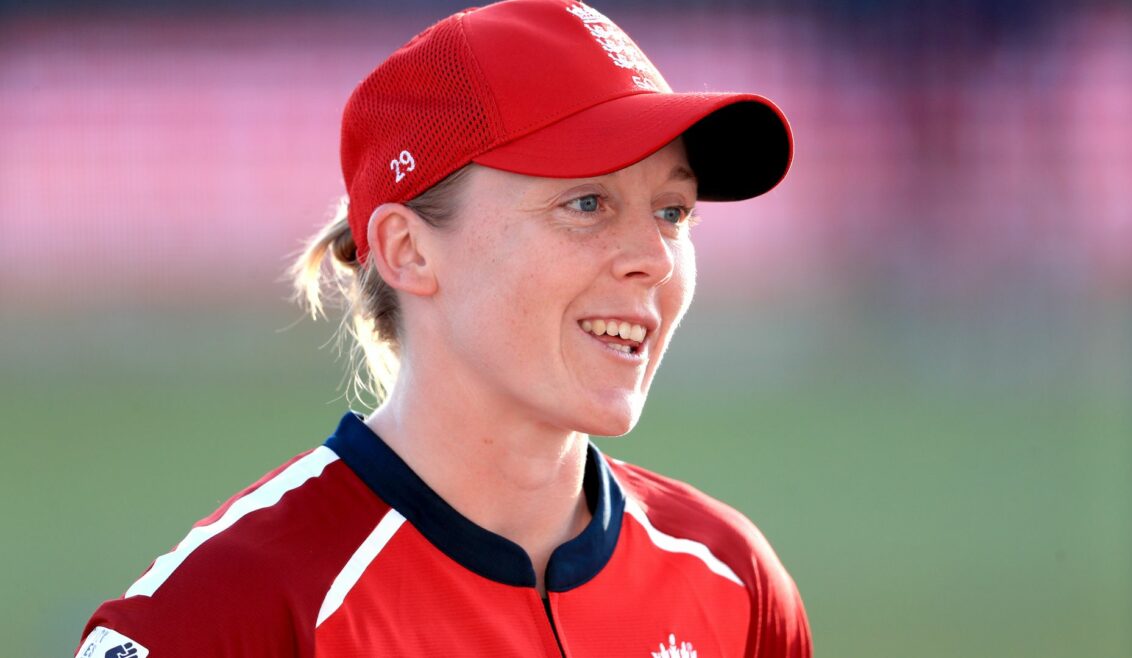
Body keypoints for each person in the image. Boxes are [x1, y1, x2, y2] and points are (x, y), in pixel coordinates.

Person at [74, 1, 810, 656]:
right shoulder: (222, 616)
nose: (655, 258)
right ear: (407, 250)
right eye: (587, 204)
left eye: (673, 213)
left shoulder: (733, 578)